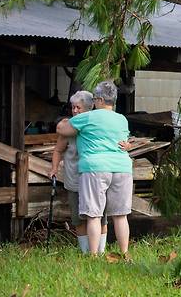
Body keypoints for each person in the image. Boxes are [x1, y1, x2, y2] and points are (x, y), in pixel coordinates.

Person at [56, 81, 133, 257]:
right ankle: (125, 254)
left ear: (98, 100)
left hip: (95, 168)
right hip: (122, 168)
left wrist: (68, 120)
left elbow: (62, 129)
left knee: (94, 215)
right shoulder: (122, 119)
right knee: (121, 216)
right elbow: (124, 142)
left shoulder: (88, 117)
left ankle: (93, 256)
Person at [48, 91, 107, 253]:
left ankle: (99, 253)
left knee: (100, 217)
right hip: (75, 180)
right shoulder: (68, 128)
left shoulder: (97, 126)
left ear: (89, 108)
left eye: (78, 108)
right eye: (73, 107)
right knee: (78, 218)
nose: (75, 111)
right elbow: (58, 150)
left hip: (96, 177)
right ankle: (85, 251)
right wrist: (54, 168)